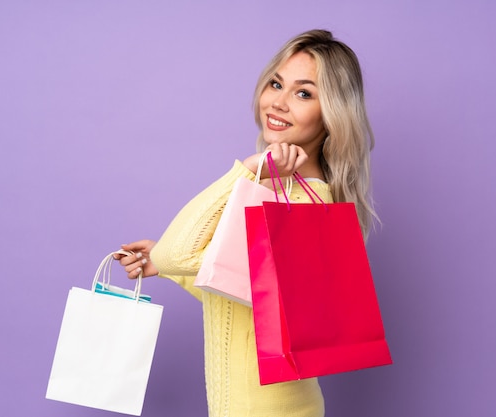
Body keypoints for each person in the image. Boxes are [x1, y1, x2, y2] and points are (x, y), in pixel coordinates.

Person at [115, 29, 377, 417]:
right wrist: (170, 268)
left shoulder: (305, 204)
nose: (280, 102)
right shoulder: (286, 196)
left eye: (304, 93)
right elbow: (246, 300)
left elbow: (176, 253)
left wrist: (246, 170)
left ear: (331, 115)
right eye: (276, 84)